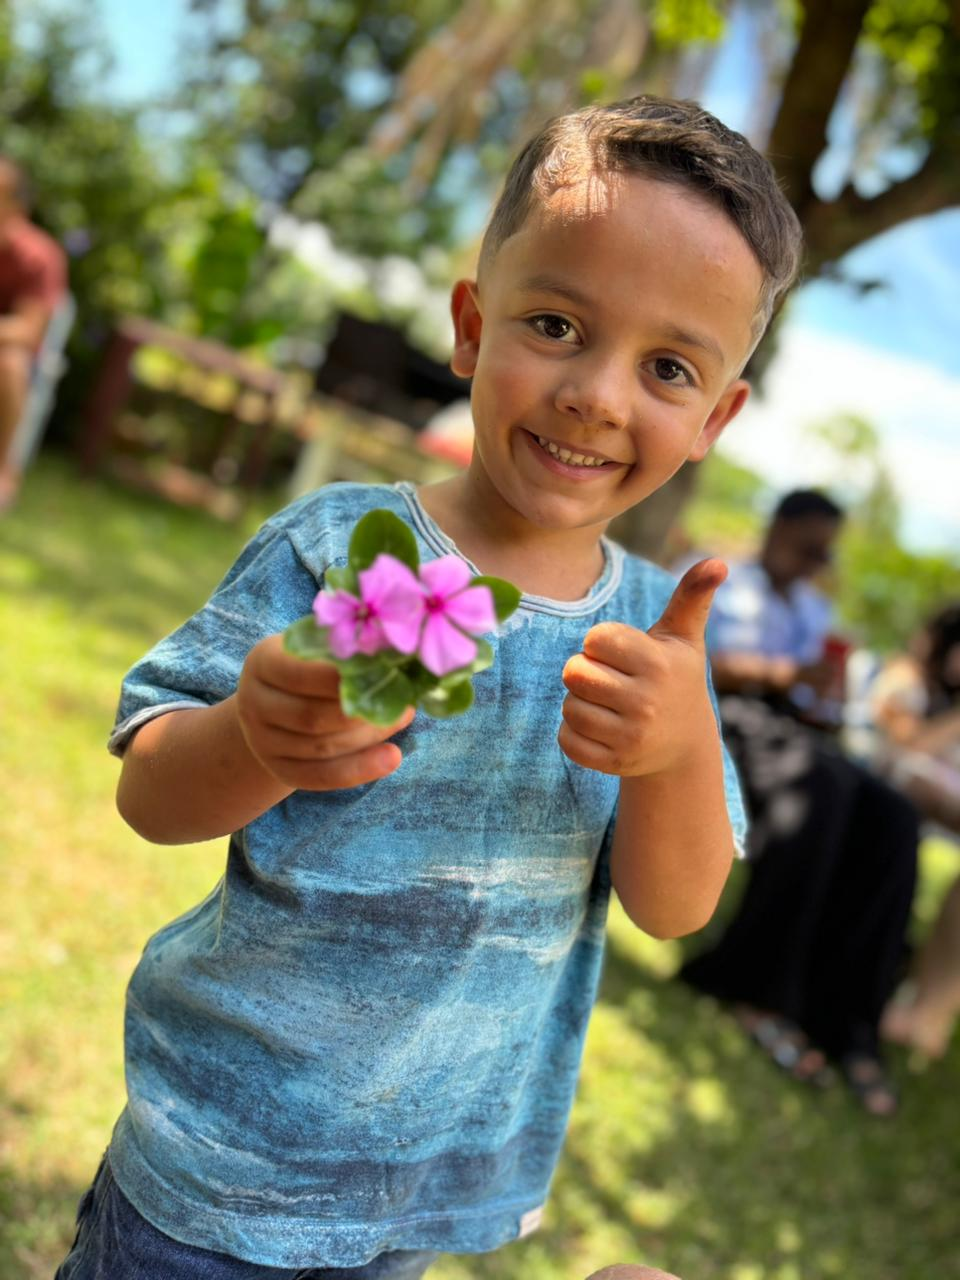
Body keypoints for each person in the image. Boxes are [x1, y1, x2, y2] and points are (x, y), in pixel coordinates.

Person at [56, 95, 802, 1279]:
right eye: (557, 324)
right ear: (471, 324)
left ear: (716, 415)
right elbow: (153, 795)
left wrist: (673, 750)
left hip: (426, 1189)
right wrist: (255, 728)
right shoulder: (336, 545)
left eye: (667, 367)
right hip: (219, 1168)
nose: (599, 394)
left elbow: (674, 906)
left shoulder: (659, 634)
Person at [680, 491, 920, 1117]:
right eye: (811, 542)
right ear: (781, 526)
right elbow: (695, 661)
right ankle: (754, 986)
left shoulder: (816, 609)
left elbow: (819, 703)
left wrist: (826, 697)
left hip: (798, 731)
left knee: (893, 816)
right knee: (819, 790)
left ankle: (847, 1014)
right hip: (724, 718)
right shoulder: (725, 581)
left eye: (826, 548)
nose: (819, 557)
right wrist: (784, 676)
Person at [874, 604, 960, 1059]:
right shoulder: (906, 677)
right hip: (885, 789)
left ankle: (928, 1010)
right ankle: (925, 1015)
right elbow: (905, 746)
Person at [0, 154, 68, 509]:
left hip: (16, 360)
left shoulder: (40, 256)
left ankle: (4, 472)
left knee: (9, 362)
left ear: (17, 205)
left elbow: (27, 331)